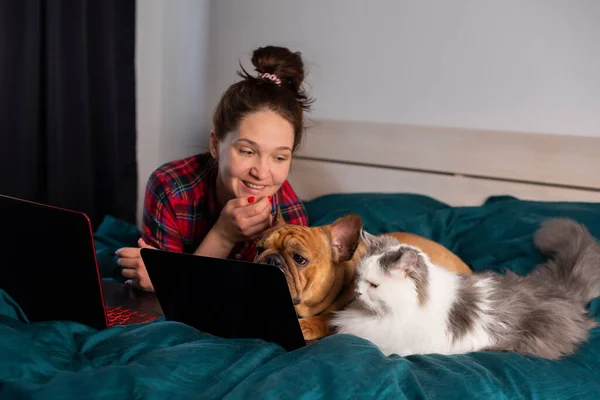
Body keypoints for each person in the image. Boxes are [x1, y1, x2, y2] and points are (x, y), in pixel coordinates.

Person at [115, 45, 313, 291]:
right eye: (247, 151)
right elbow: (160, 300)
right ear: (215, 144)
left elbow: (262, 299)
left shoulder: (290, 214)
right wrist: (223, 234)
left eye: (279, 158)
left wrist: (170, 279)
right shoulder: (170, 187)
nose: (261, 173)